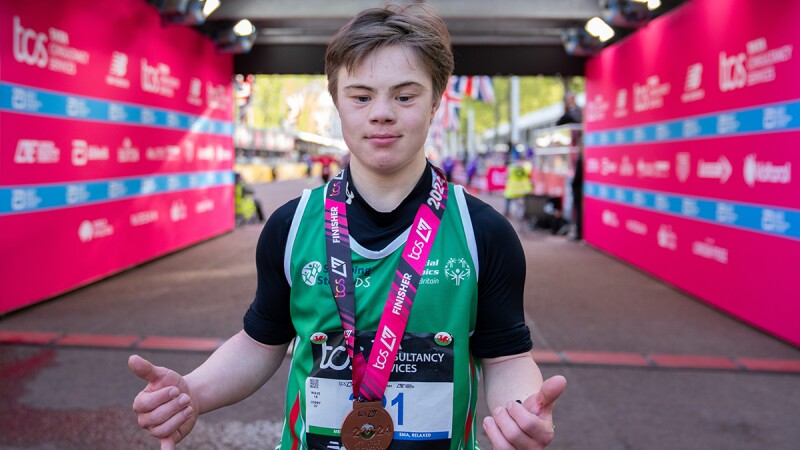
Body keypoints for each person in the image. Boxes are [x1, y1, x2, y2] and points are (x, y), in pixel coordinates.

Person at [128, 5, 565, 450]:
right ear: (337, 101)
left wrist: (521, 412)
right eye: (361, 96)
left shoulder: (482, 231)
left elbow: (507, 356)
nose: (381, 113)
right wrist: (192, 393)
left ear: (436, 100)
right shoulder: (291, 226)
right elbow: (261, 344)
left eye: (405, 96)